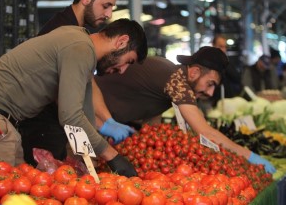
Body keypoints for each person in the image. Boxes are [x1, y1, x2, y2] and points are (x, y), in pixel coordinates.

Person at [0, 18, 148, 178]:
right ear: (121, 42)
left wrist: (89, 157)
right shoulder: (80, 48)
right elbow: (71, 116)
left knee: (19, 194)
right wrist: (112, 157)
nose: (123, 71)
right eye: (128, 62)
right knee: (0, 193)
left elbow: (84, 112)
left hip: (0, 124)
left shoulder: (80, 43)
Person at [18, 0, 133, 166]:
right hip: (41, 128)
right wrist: (98, 129)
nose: (108, 15)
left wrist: (107, 120)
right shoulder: (64, 31)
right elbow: (67, 105)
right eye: (106, 5)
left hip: (55, 126)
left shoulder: (80, 34)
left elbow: (88, 82)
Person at [95, 46, 276, 174]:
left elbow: (152, 126)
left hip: (101, 124)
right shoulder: (176, 81)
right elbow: (205, 132)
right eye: (210, 84)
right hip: (87, 115)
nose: (210, 92)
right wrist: (250, 157)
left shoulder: (169, 78)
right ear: (195, 72)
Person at [210, 34, 242, 105]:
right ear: (213, 45)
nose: (224, 49)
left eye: (225, 47)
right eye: (221, 46)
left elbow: (237, 78)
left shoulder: (227, 62)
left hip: (228, 101)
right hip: (213, 103)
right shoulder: (208, 63)